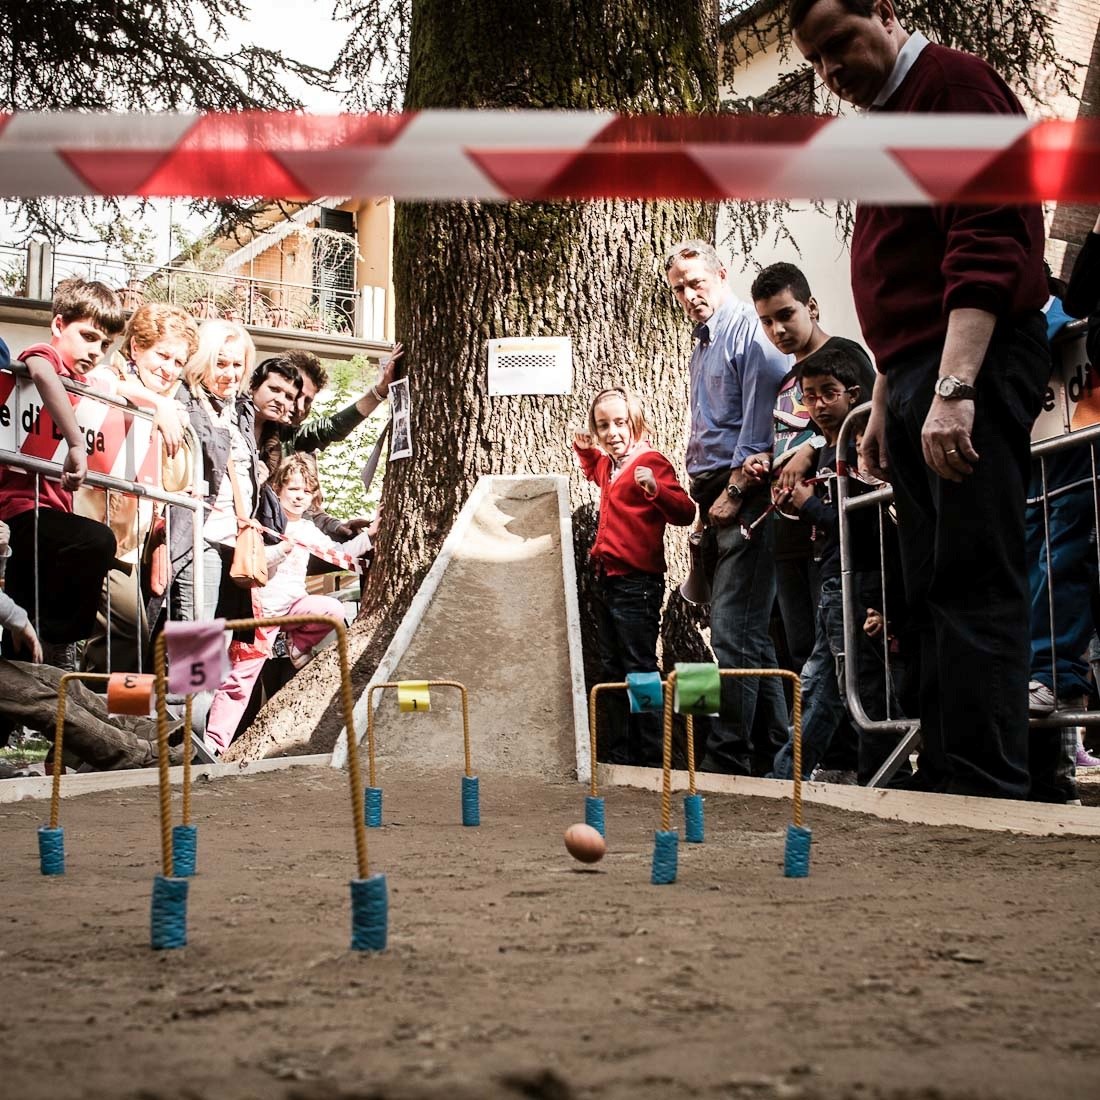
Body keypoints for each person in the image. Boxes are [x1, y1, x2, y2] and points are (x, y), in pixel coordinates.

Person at [790, 0, 1051, 799]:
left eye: (840, 44)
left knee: (973, 581)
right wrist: (886, 396)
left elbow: (986, 237)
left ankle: (988, 789)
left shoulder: (955, 88)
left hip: (967, 366)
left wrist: (953, 387)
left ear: (887, 11)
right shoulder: (890, 123)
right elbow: (906, 274)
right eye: (818, 62)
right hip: (914, 378)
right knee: (928, 592)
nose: (832, 72)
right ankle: (953, 776)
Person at [665, 240, 791, 775]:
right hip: (713, 492)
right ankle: (777, 751)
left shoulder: (746, 330)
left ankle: (727, 758)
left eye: (697, 282)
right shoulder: (702, 343)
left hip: (746, 491)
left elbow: (761, 425)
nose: (690, 295)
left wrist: (736, 491)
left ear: (721, 273)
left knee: (735, 633)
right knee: (748, 635)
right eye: (679, 288)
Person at [765, 346, 905, 783]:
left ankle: (888, 773)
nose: (821, 405)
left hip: (859, 580)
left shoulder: (859, 451)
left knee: (861, 683)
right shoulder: (823, 453)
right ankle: (790, 773)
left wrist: (809, 506)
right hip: (831, 581)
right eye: (811, 396)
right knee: (821, 684)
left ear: (854, 394)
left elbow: (862, 526)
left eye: (830, 393)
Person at [750, 262, 876, 670]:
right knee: (802, 650)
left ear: (812, 307)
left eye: (785, 315)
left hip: (832, 527)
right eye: (767, 322)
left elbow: (869, 423)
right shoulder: (786, 380)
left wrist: (815, 448)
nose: (777, 330)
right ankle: (808, 735)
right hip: (787, 530)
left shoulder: (844, 355)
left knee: (841, 651)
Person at [203, 454, 370, 756]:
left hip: (295, 608)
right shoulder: (263, 521)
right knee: (241, 680)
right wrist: (280, 550)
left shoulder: (308, 529)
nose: (299, 497)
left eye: (306, 491)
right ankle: (214, 743)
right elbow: (251, 562)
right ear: (278, 488)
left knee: (332, 610)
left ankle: (297, 646)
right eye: (293, 489)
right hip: (260, 611)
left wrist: (371, 535)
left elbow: (340, 554)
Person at [0, 277, 124, 669]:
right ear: (58, 325)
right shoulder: (44, 357)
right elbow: (38, 369)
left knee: (25, 615)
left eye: (104, 345)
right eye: (87, 337)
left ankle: (17, 717)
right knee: (97, 541)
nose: (96, 351)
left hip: (53, 513)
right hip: (17, 509)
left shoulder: (89, 386)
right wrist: (75, 442)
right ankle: (61, 642)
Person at [573, 386, 696, 766]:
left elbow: (685, 512)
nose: (612, 432)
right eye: (603, 425)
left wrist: (655, 489)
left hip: (638, 583)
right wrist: (585, 451)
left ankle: (651, 751)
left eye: (620, 423)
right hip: (608, 578)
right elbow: (596, 472)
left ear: (636, 422)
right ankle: (619, 750)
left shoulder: (651, 462)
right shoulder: (610, 464)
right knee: (612, 666)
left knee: (640, 667)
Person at [78, 303, 200, 672]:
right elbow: (98, 384)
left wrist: (166, 412)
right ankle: (104, 721)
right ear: (135, 348)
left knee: (132, 639)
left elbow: (178, 479)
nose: (169, 370)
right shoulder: (107, 379)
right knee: (126, 632)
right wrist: (156, 403)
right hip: (97, 529)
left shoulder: (173, 405)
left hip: (138, 542)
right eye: (163, 355)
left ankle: (119, 720)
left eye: (178, 363)